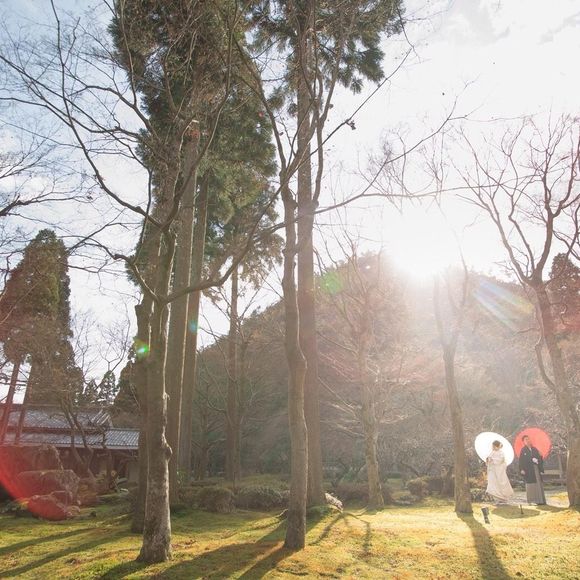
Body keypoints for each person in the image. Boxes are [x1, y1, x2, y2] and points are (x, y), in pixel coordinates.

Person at [518, 435, 546, 505]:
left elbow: (539, 458)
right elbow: (521, 461)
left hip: (535, 468)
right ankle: (532, 500)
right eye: (526, 440)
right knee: (530, 484)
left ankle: (540, 500)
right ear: (524, 442)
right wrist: (521, 469)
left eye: (528, 439)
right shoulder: (523, 450)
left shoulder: (534, 449)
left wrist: (540, 457)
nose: (528, 440)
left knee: (538, 483)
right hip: (528, 470)